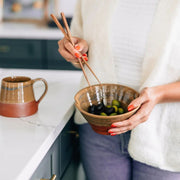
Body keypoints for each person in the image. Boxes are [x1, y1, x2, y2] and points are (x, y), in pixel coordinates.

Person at [58, 0, 180, 179]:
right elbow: (81, 45)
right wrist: (76, 49)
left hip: (162, 133)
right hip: (99, 130)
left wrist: (159, 94)